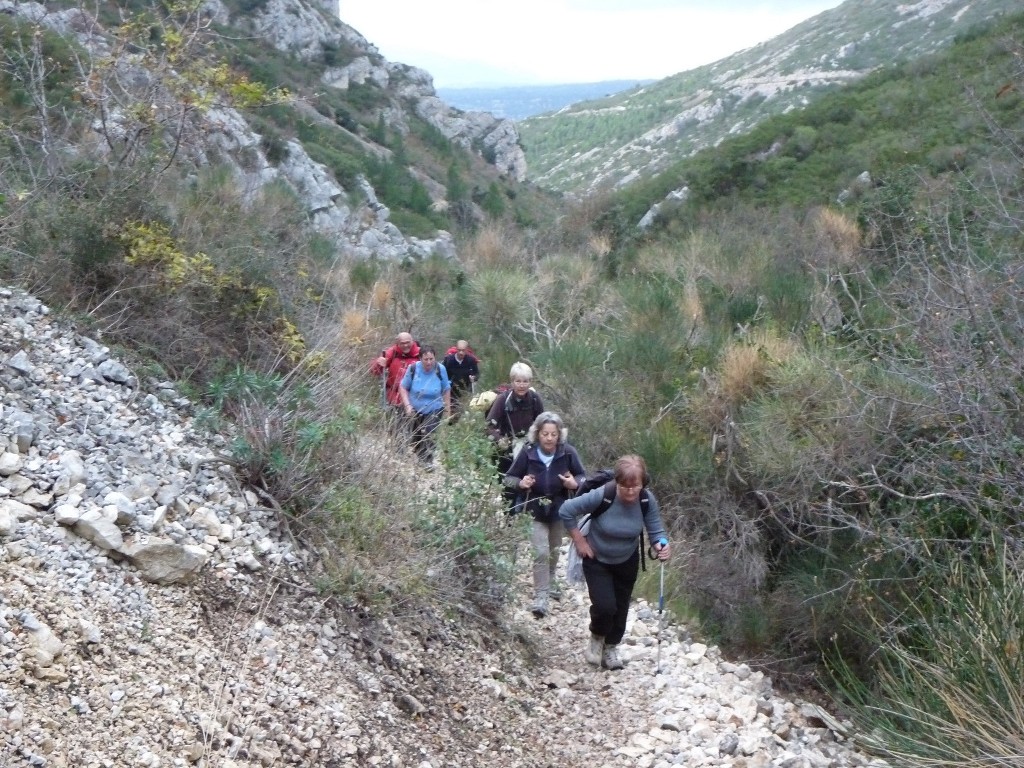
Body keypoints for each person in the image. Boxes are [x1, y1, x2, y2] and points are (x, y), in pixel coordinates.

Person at [559, 454, 670, 670]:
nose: (630, 491)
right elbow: (566, 510)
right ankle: (597, 637)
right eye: (624, 486)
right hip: (597, 557)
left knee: (620, 607)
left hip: (627, 559)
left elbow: (656, 529)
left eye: (635, 486)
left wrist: (661, 545)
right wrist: (580, 542)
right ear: (616, 482)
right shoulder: (604, 495)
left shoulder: (646, 500)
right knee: (604, 606)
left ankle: (610, 648)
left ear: (642, 483)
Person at [504, 412, 586, 618]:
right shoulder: (528, 452)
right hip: (534, 507)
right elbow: (509, 478)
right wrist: (521, 483)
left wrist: (574, 484)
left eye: (553, 434)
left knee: (554, 549)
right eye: (545, 434)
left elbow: (584, 477)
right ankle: (541, 596)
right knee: (540, 551)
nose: (549, 438)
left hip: (560, 508)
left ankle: (550, 581)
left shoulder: (568, 452)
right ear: (537, 434)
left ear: (560, 435)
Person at [486, 362, 544, 507]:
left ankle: (526, 516)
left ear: (530, 382)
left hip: (529, 448)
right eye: (518, 381)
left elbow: (543, 423)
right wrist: (500, 440)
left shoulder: (535, 399)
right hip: (507, 450)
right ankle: (509, 520)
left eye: (525, 381)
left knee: (531, 483)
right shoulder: (502, 400)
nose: (522, 385)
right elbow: (488, 426)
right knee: (509, 486)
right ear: (512, 382)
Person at [399, 346, 451, 468]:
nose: (429, 362)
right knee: (416, 436)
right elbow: (403, 387)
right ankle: (419, 454)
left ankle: (428, 460)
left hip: (434, 407)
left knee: (429, 433)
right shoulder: (413, 369)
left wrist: (448, 409)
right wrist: (407, 405)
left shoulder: (440, 369)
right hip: (415, 408)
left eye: (431, 359)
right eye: (426, 359)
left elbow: (446, 389)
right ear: (420, 359)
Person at [369, 333, 421, 412]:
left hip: (417, 396)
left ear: (412, 341)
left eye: (408, 342)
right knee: (399, 422)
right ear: (397, 344)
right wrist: (378, 363)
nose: (405, 345)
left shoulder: (420, 353)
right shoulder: (392, 352)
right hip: (396, 398)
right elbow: (374, 371)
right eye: (402, 343)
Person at [441, 340, 480, 416]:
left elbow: (477, 373)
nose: (461, 352)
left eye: (463, 350)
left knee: (464, 413)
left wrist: (474, 378)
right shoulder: (449, 360)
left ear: (466, 350)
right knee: (451, 414)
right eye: (459, 350)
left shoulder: (471, 360)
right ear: (456, 349)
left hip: (466, 391)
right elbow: (442, 374)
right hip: (451, 392)